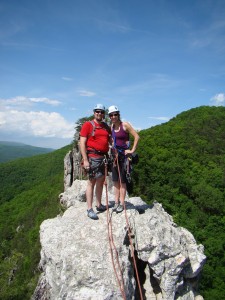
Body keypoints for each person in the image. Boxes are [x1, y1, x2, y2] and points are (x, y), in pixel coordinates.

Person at [80, 104, 111, 220]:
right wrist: (85, 160)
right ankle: (89, 208)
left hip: (103, 157)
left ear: (104, 114)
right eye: (97, 111)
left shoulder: (105, 126)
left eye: (102, 112)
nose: (99, 113)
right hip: (93, 157)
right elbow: (82, 143)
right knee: (91, 182)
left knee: (101, 181)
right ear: (94, 113)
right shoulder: (88, 125)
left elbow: (110, 140)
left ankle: (98, 204)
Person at [108, 105, 140, 213]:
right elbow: (112, 140)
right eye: (111, 115)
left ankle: (122, 203)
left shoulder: (124, 125)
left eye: (115, 114)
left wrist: (132, 150)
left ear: (118, 115)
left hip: (124, 157)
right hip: (115, 157)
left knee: (123, 181)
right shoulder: (111, 126)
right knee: (115, 181)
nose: (113, 117)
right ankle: (116, 202)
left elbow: (136, 136)